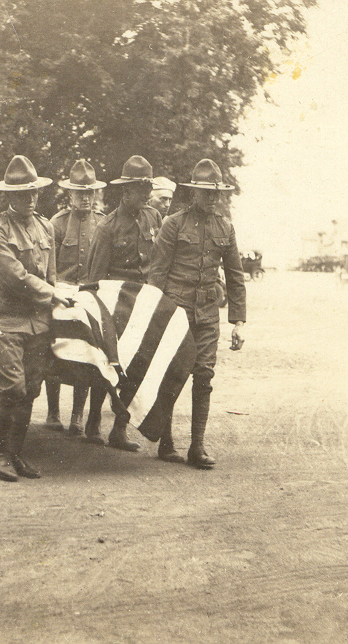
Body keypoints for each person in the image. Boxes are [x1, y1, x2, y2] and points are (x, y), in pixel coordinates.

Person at [148, 159, 246, 468]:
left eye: (216, 193)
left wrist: (238, 322)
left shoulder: (225, 227)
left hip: (206, 313)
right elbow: (157, 274)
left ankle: (197, 446)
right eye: (206, 193)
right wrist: (155, 315)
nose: (212, 199)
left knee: (204, 375)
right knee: (171, 376)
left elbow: (235, 275)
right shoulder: (173, 224)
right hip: (175, 311)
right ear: (194, 193)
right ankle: (166, 442)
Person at [0, 155, 70, 482]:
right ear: (9, 196)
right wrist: (51, 293)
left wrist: (53, 298)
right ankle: (1, 454)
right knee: (13, 388)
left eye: (34, 192)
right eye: (23, 194)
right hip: (5, 321)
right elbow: (14, 277)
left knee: (32, 388)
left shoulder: (45, 226)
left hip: (37, 322)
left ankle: (16, 453)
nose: (31, 199)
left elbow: (51, 275)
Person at [82, 154, 163, 452]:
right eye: (140, 189)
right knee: (106, 368)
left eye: (147, 188)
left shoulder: (153, 217)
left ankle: (119, 429)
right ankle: (92, 422)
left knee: (136, 369)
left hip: (143, 306)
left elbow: (158, 262)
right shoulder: (107, 228)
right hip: (114, 309)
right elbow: (94, 279)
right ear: (125, 191)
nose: (146, 194)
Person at [43, 159, 106, 437]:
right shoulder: (56, 224)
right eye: (80, 193)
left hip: (89, 295)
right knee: (54, 350)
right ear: (70, 195)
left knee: (86, 355)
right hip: (60, 293)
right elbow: (49, 267)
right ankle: (53, 411)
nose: (85, 198)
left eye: (90, 193)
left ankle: (77, 415)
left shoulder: (102, 224)